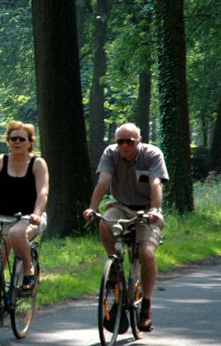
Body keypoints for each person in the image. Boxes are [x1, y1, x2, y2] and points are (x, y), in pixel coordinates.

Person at [82, 123, 168, 332]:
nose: (124, 146)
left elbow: (156, 183)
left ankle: (146, 305)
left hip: (146, 210)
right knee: (105, 222)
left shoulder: (152, 155)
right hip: (120, 206)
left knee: (146, 253)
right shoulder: (110, 154)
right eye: (120, 141)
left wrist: (155, 209)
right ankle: (115, 268)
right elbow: (104, 181)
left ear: (139, 141)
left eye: (129, 141)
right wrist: (92, 208)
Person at [0, 120, 49, 330]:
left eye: (22, 139)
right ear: (8, 141)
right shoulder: (0, 162)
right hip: (2, 218)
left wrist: (37, 214)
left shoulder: (37, 163)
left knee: (15, 233)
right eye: (13, 139)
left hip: (29, 218)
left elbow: (43, 192)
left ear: (30, 143)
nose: (17, 142)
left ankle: (29, 271)